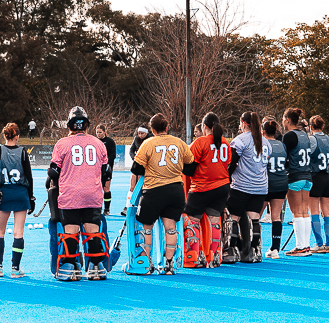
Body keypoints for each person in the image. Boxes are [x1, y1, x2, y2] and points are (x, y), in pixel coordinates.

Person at [48, 106, 110, 280]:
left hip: (70, 194)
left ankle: (70, 267)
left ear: (69, 126)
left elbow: (53, 172)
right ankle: (96, 266)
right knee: (93, 231)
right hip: (93, 193)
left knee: (71, 231)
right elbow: (106, 172)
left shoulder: (62, 144)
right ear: (87, 126)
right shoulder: (99, 143)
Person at [130, 113, 190, 275]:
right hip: (176, 190)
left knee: (147, 227)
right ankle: (169, 264)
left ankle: (147, 263)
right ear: (167, 127)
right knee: (171, 228)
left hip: (154, 190)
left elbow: (136, 169)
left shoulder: (148, 143)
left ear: (152, 129)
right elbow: (191, 165)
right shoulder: (179, 142)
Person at [0, 123, 34, 277]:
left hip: (4, 193)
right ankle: (15, 268)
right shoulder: (23, 152)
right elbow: (29, 176)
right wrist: (31, 197)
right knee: (18, 232)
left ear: (4, 135)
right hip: (20, 193)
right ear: (17, 136)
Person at [184, 112, 231, 268]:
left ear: (204, 127)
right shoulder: (225, 143)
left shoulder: (200, 142)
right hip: (222, 186)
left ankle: (195, 256)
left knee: (193, 220)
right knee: (214, 221)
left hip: (202, 186)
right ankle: (215, 254)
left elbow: (189, 167)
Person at [226, 111, 268, 263]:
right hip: (260, 186)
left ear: (243, 123)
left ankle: (232, 251)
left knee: (234, 218)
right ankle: (255, 251)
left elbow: (232, 162)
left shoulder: (240, 140)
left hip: (242, 185)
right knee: (254, 219)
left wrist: (227, 177)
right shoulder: (265, 141)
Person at [281, 108, 315, 256]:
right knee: (304, 211)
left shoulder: (289, 136)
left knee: (296, 213)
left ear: (288, 120)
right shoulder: (305, 135)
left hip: (294, 176)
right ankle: (306, 245)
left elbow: (283, 157)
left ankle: (300, 246)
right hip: (307, 176)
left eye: (283, 119)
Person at [260, 117, 288, 258]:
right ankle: (275, 248)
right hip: (281, 182)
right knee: (276, 217)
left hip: (266, 183)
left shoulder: (263, 145)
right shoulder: (282, 145)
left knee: (255, 216)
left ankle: (254, 246)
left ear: (263, 131)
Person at [309, 115, 329, 254]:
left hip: (315, 176)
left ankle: (319, 244)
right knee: (326, 212)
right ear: (323, 126)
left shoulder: (312, 139)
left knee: (314, 211)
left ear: (311, 127)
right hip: (327, 176)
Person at [96, 123, 118, 214]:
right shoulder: (95, 141)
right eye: (97, 132)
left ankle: (107, 209)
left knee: (106, 189)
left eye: (100, 132)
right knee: (96, 189)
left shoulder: (110, 141)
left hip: (107, 168)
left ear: (104, 132)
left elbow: (113, 155)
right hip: (96, 169)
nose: (98, 134)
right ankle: (97, 208)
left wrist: (106, 163)